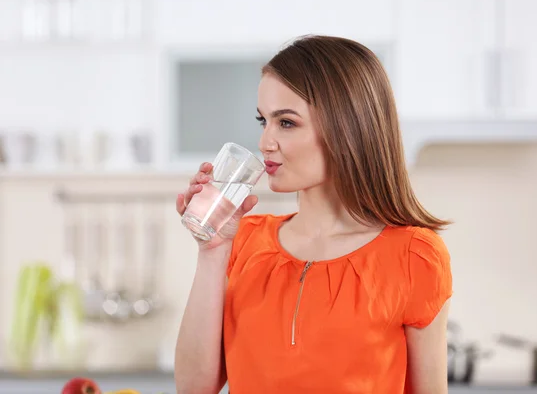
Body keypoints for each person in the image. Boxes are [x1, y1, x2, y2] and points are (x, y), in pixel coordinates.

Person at [174, 35, 453, 394]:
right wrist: (211, 252)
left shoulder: (415, 256)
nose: (265, 142)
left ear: (347, 126)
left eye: (286, 123)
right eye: (264, 121)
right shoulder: (243, 241)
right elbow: (194, 389)